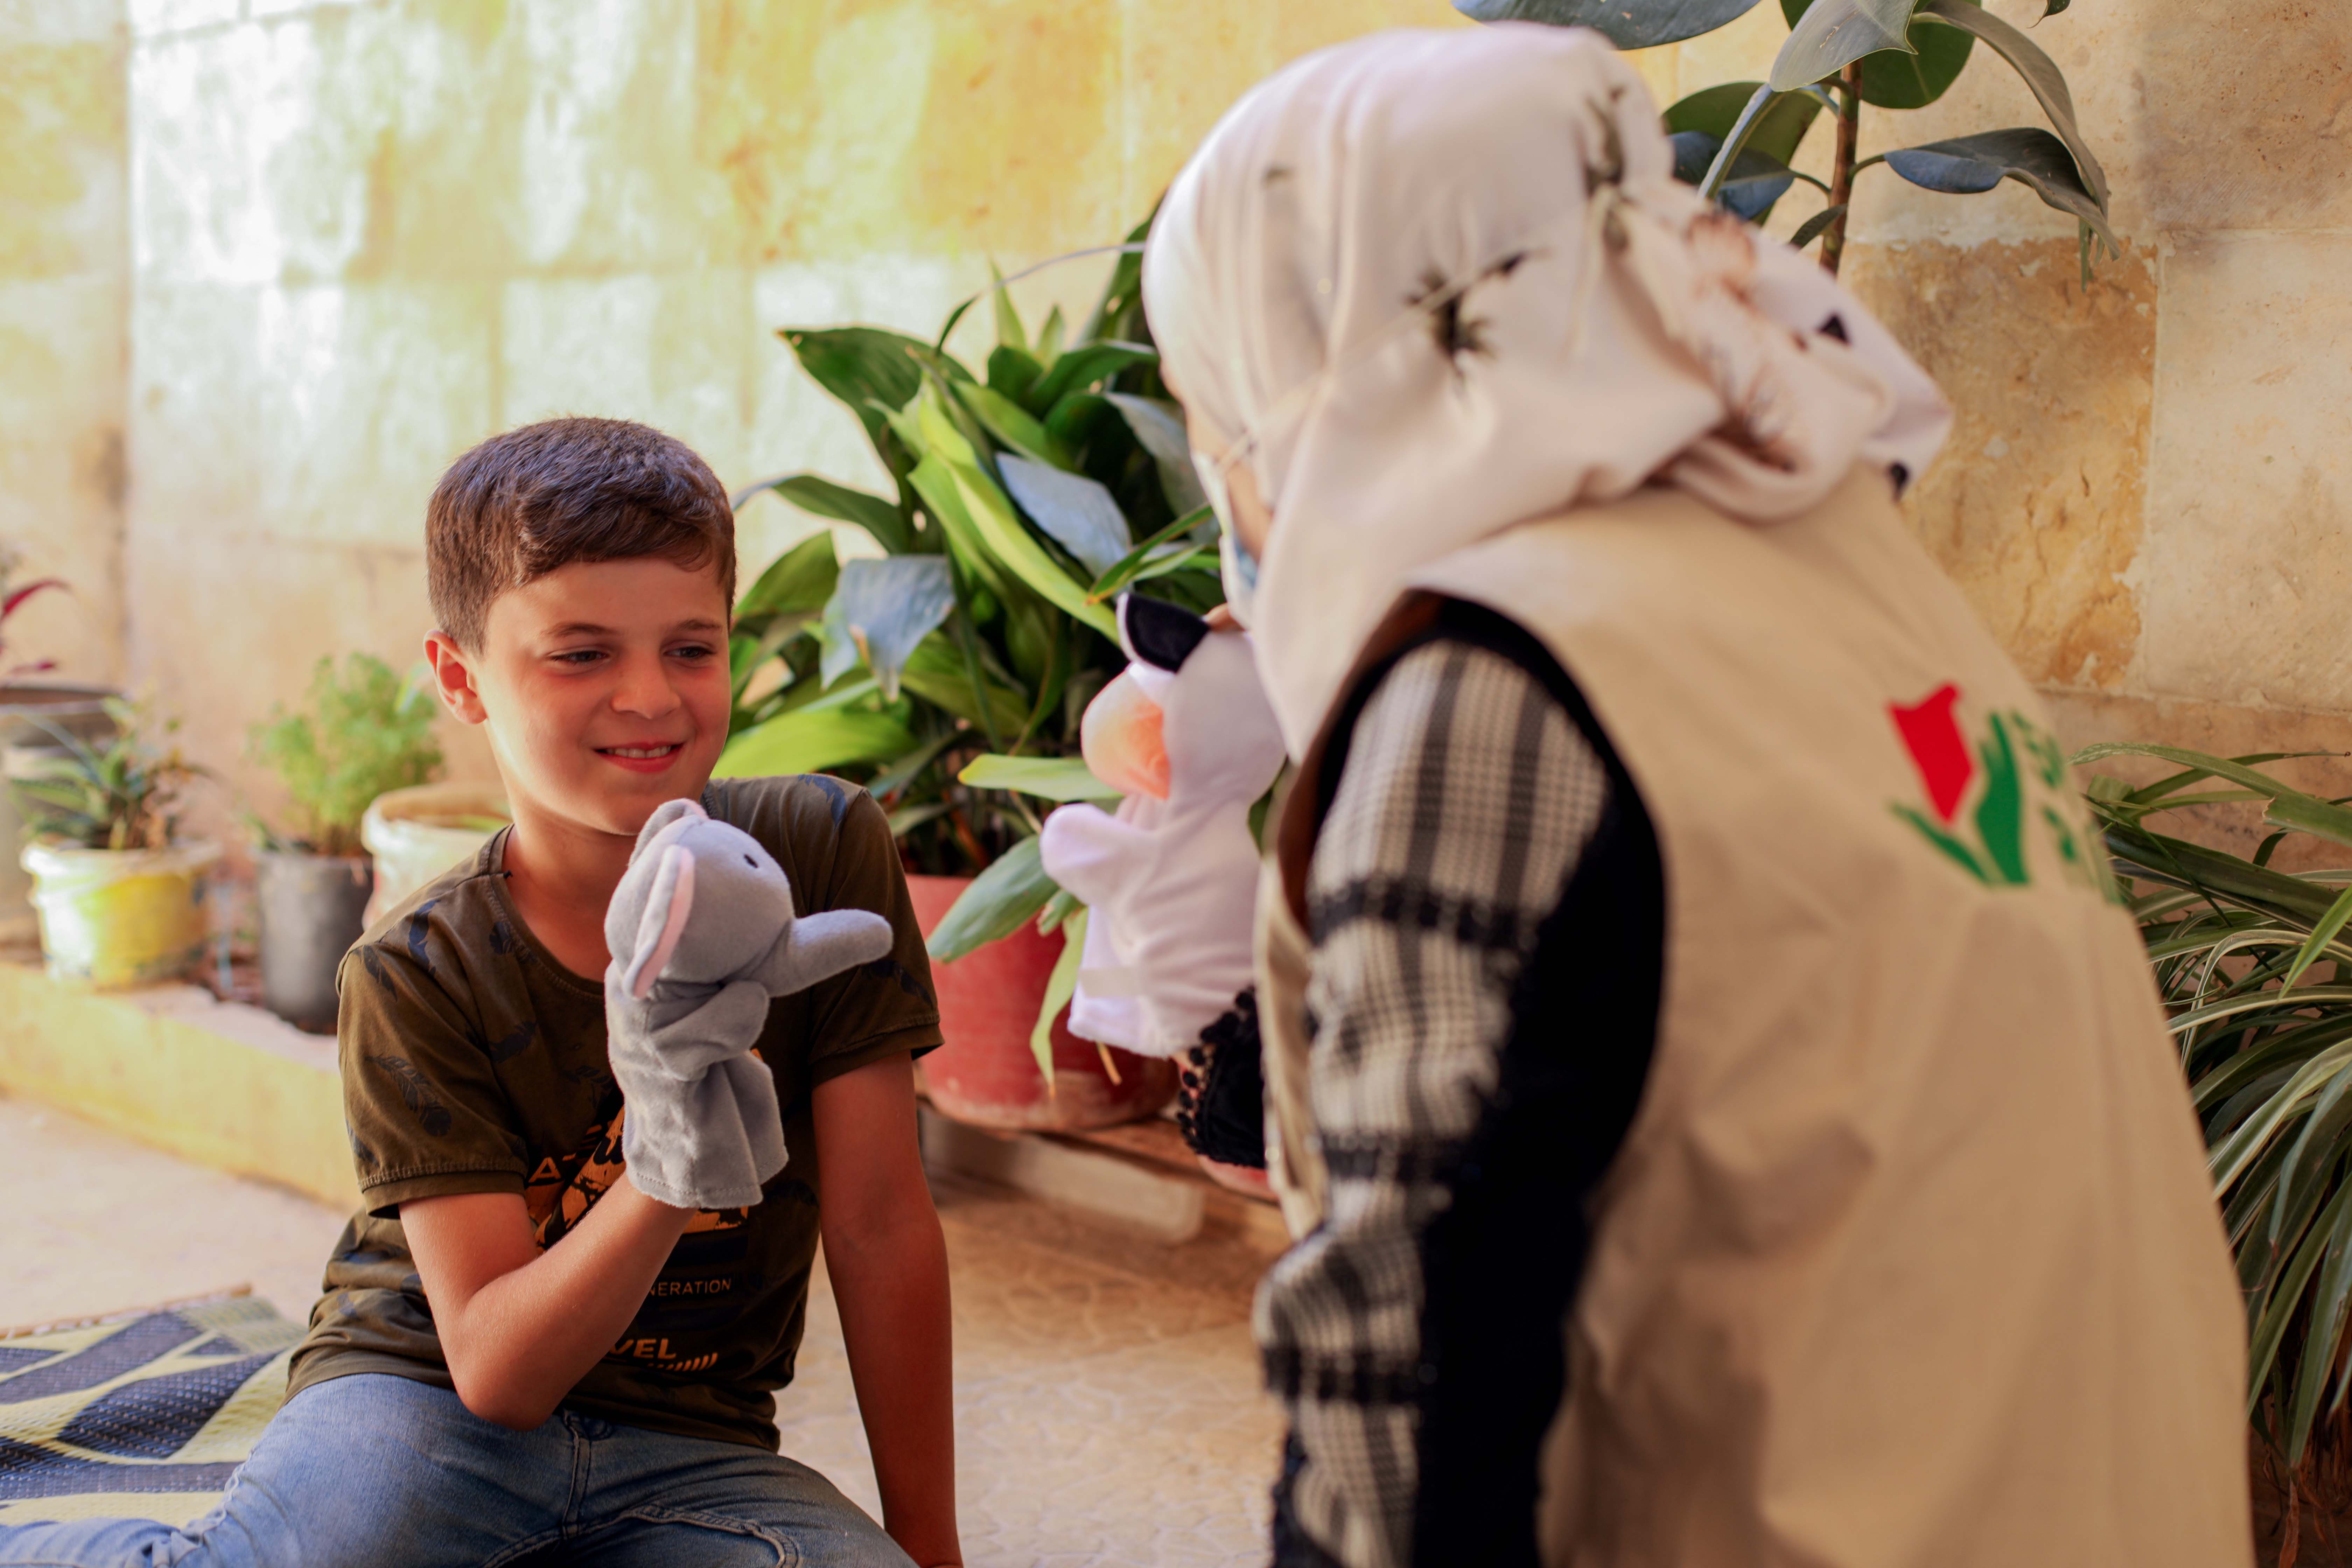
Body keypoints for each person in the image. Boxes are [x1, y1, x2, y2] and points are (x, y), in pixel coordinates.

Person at [1051, 24, 2254, 1568]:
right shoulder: (1874, 591)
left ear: (1316, 362)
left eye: (1212, 402)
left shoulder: (1495, 687)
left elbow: (1410, 1407)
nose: (1224, 470)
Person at [0, 418, 960, 1568]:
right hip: (419, 1408)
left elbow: (879, 1221)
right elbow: (499, 1374)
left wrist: (930, 1545)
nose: (650, 697)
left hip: (695, 1445)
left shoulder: (821, 850)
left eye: (691, 649)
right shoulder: (414, 970)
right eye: (582, 653)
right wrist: (668, 1161)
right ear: (462, 678)